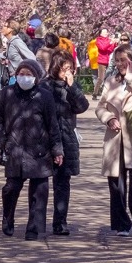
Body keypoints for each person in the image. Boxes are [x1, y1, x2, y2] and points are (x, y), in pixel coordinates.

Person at [0, 59, 64, 240]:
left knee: (40, 190)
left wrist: (57, 149)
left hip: (39, 150)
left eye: (29, 75)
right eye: (21, 74)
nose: (24, 78)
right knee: (11, 188)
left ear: (36, 78)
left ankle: (34, 228)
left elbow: (53, 125)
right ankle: (8, 218)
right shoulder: (6, 94)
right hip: (14, 150)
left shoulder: (44, 96)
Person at [96, 46, 132, 237]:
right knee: (116, 184)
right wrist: (108, 118)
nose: (120, 64)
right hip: (114, 138)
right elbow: (100, 107)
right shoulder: (110, 82)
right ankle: (121, 224)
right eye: (117, 60)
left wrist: (130, 77)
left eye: (124, 60)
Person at [42, 50, 89, 235]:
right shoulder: (45, 86)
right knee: (41, 183)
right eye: (64, 68)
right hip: (47, 140)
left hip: (67, 139)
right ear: (55, 68)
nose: (67, 72)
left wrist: (72, 87)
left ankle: (60, 222)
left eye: (70, 68)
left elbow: (82, 106)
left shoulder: (71, 86)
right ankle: (37, 220)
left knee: (63, 182)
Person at [93, 27, 115, 99]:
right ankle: (95, 93)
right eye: (104, 32)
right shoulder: (98, 40)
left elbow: (110, 49)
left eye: (107, 32)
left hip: (108, 60)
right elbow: (102, 48)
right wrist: (110, 43)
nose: (106, 33)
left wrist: (114, 43)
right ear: (101, 33)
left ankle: (106, 93)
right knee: (101, 78)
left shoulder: (108, 40)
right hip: (102, 61)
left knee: (109, 77)